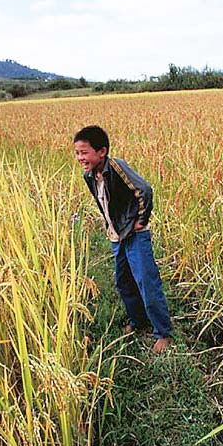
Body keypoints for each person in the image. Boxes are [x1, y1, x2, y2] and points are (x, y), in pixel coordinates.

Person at [73, 125, 172, 352]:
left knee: (146, 282)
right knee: (124, 281)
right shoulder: (89, 176)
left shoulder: (116, 166)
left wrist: (140, 220)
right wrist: (112, 226)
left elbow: (144, 190)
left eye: (84, 153)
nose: (80, 158)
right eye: (77, 153)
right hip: (117, 235)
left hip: (135, 235)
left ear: (102, 152)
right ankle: (138, 321)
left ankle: (163, 332)